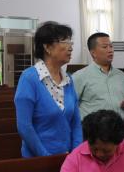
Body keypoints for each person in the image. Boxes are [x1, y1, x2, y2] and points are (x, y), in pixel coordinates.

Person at [14, 21, 82, 157]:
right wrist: (46, 157)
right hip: (38, 160)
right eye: (65, 42)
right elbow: (24, 126)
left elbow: (76, 123)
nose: (70, 47)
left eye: (71, 42)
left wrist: (75, 154)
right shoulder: (29, 78)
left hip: (68, 158)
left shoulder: (68, 79)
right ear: (47, 47)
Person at [73, 32, 124, 121]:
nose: (110, 50)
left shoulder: (121, 75)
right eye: (105, 47)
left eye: (111, 46)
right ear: (93, 53)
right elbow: (71, 106)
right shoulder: (80, 76)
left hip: (119, 126)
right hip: (92, 128)